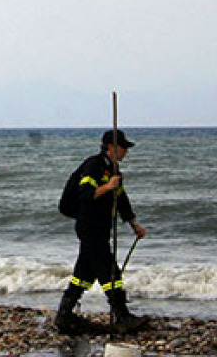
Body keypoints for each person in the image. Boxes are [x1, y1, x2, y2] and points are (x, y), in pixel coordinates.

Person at [54, 129, 148, 334]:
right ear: (111, 147)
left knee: (84, 274)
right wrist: (108, 186)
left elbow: (122, 200)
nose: (126, 152)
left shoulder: (114, 171)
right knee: (109, 270)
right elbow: (86, 194)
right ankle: (122, 317)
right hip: (89, 227)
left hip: (100, 228)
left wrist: (134, 225)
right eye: (123, 147)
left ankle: (64, 315)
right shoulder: (93, 165)